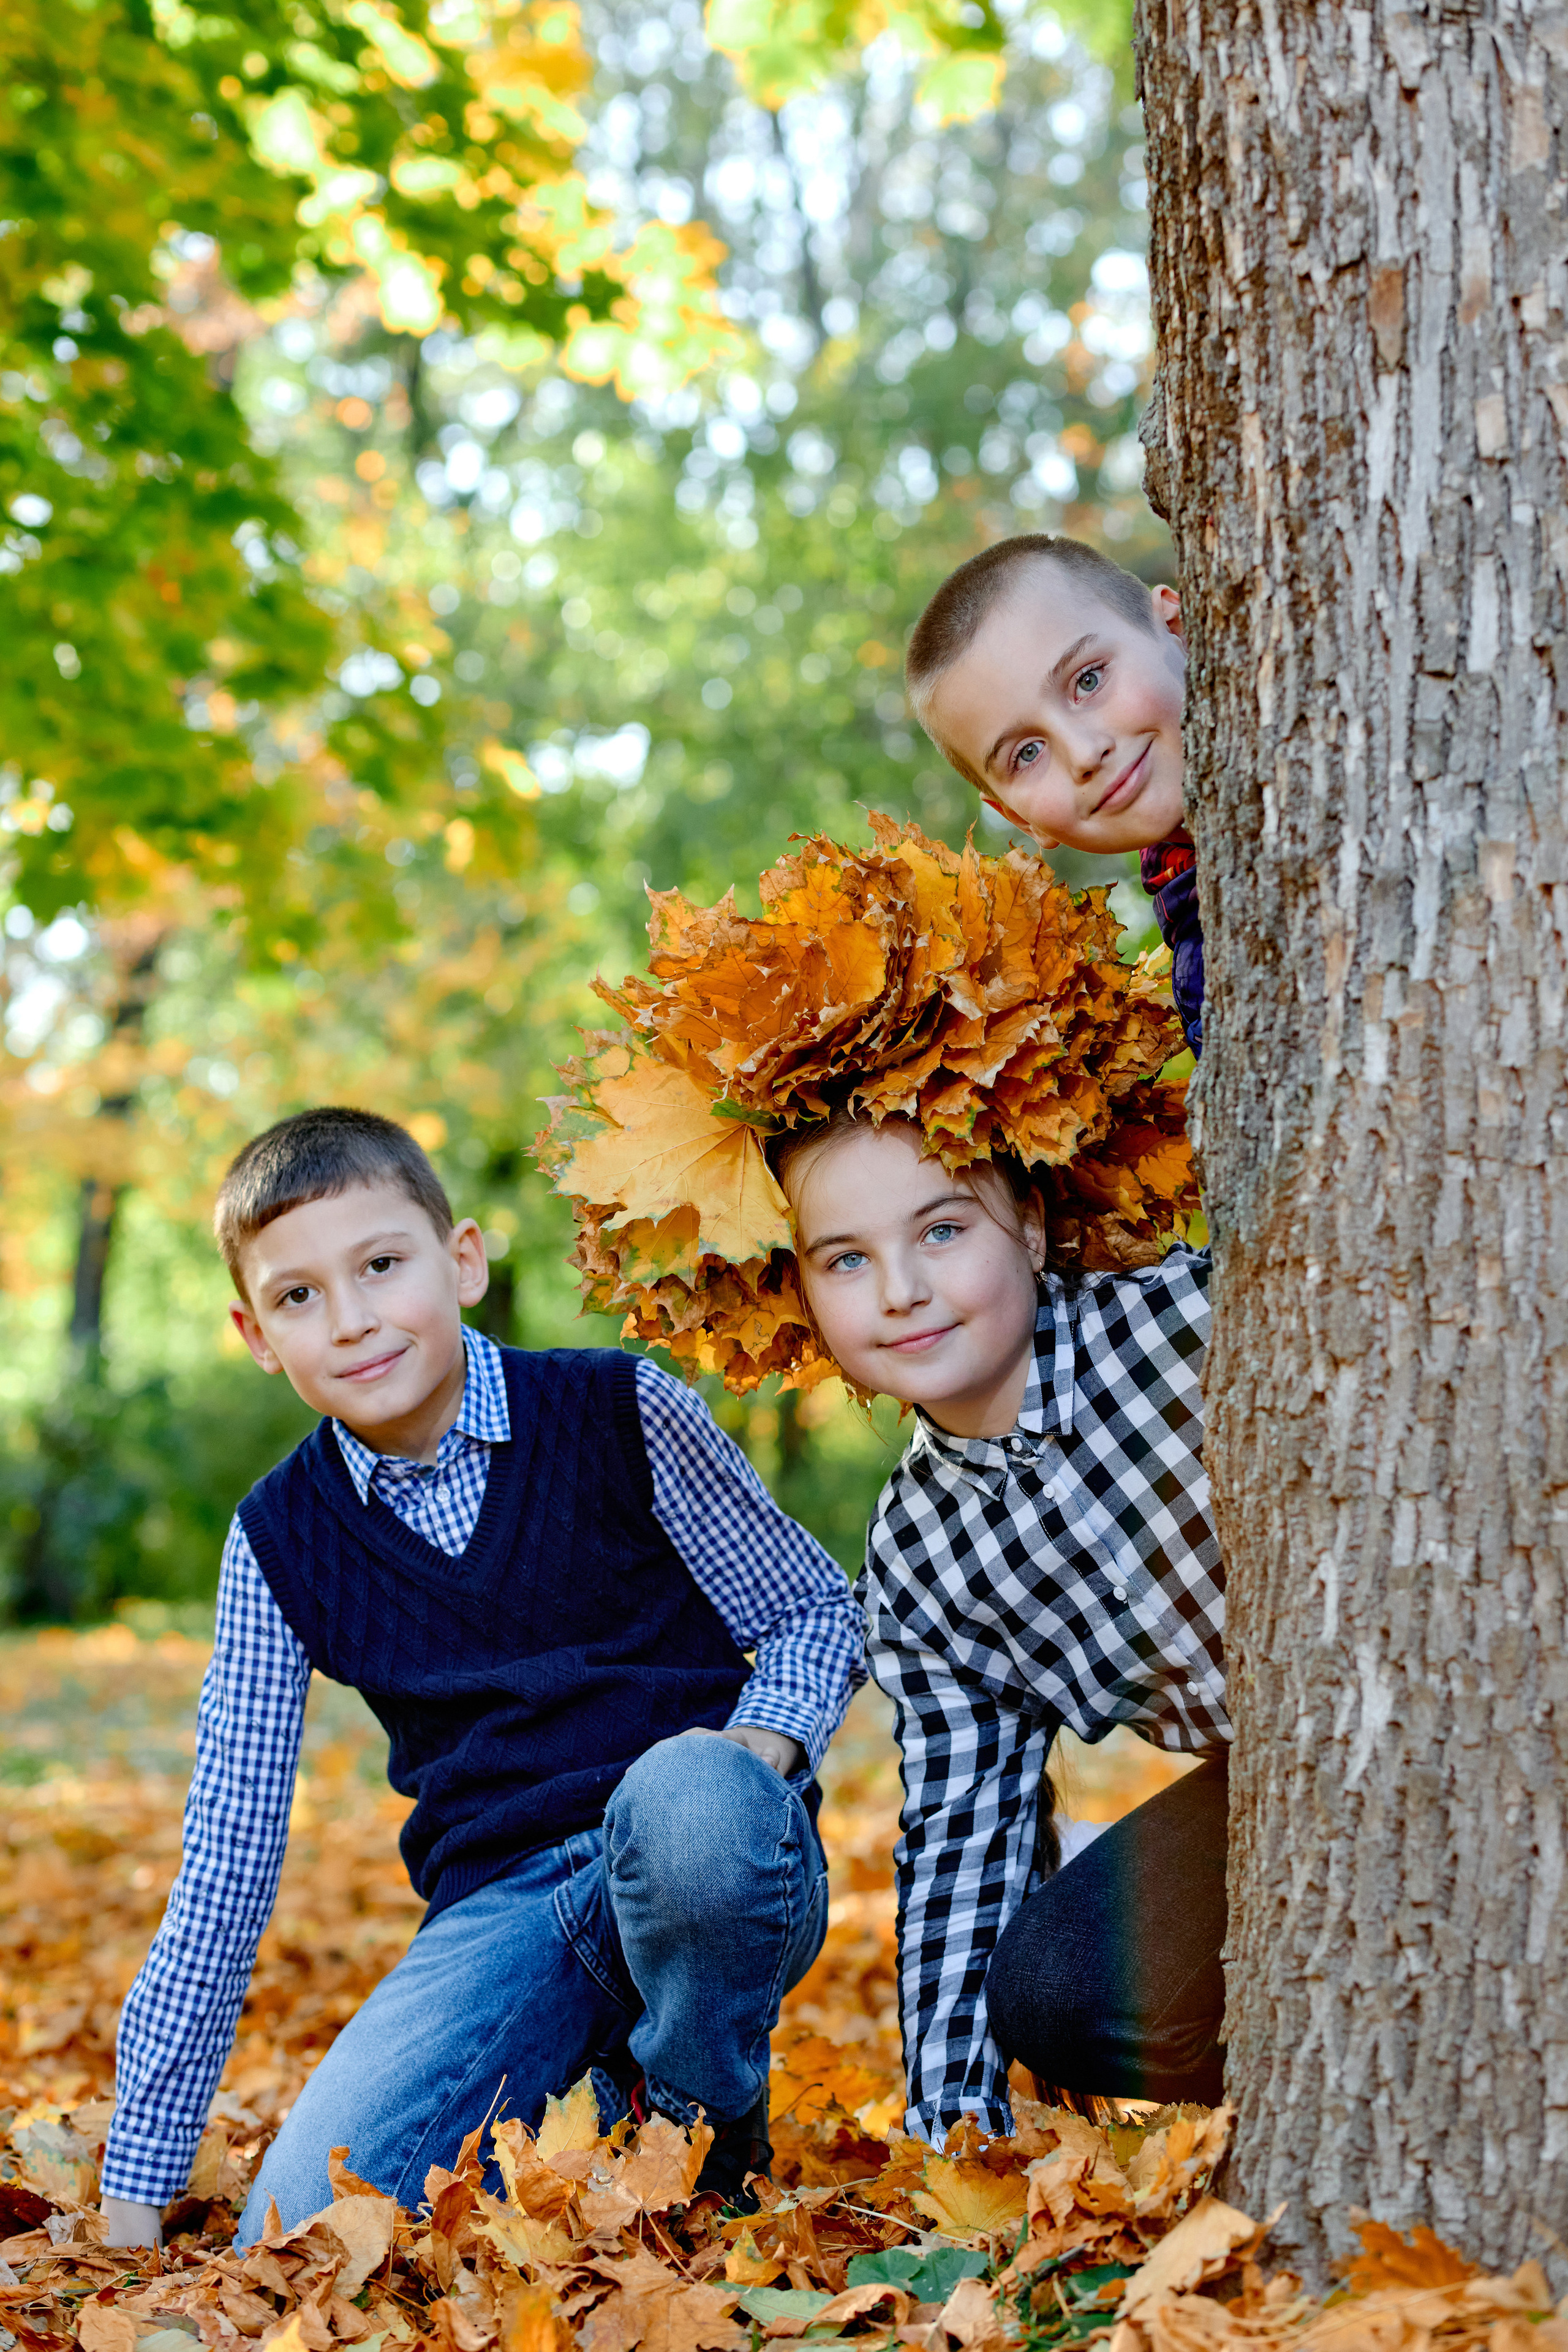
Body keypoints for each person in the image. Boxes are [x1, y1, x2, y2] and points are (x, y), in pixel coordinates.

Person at [537, 820, 1226, 2150]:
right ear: (794, 1293)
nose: (901, 1289)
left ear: (1027, 1220)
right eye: (843, 1260)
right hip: (1275, 1785)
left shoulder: (1184, 1324)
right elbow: (963, 1845)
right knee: (1056, 1990)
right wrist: (951, 2141)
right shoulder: (920, 1554)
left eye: (942, 1230)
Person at [99, 1106, 863, 2250]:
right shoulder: (278, 1541)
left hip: (707, 1848)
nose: (351, 1319)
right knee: (309, 2225)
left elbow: (812, 1609)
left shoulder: (618, 1410)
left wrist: (755, 1750)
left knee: (691, 1804)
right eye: (298, 1297)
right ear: (257, 1335)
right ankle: (615, 2108)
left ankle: (711, 2128)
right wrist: (134, 2188)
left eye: (382, 1266)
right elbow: (228, 1853)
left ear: (461, 1261)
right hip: (507, 1903)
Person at [905, 532, 1205, 1055]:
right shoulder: (1206, 961)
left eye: (1088, 680)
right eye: (1026, 753)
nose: (1084, 754)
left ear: (1178, 630)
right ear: (1022, 821)